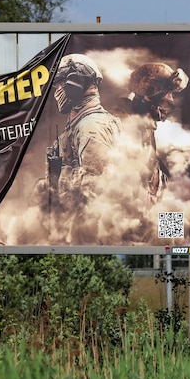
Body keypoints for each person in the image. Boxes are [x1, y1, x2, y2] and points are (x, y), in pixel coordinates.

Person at [43, 53, 121, 243]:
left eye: (60, 83)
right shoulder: (79, 125)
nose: (57, 91)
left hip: (88, 234)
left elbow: (93, 191)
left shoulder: (91, 126)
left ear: (75, 83)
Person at [117, 62, 189, 198]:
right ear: (149, 96)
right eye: (166, 94)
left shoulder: (144, 124)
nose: (170, 99)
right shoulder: (126, 125)